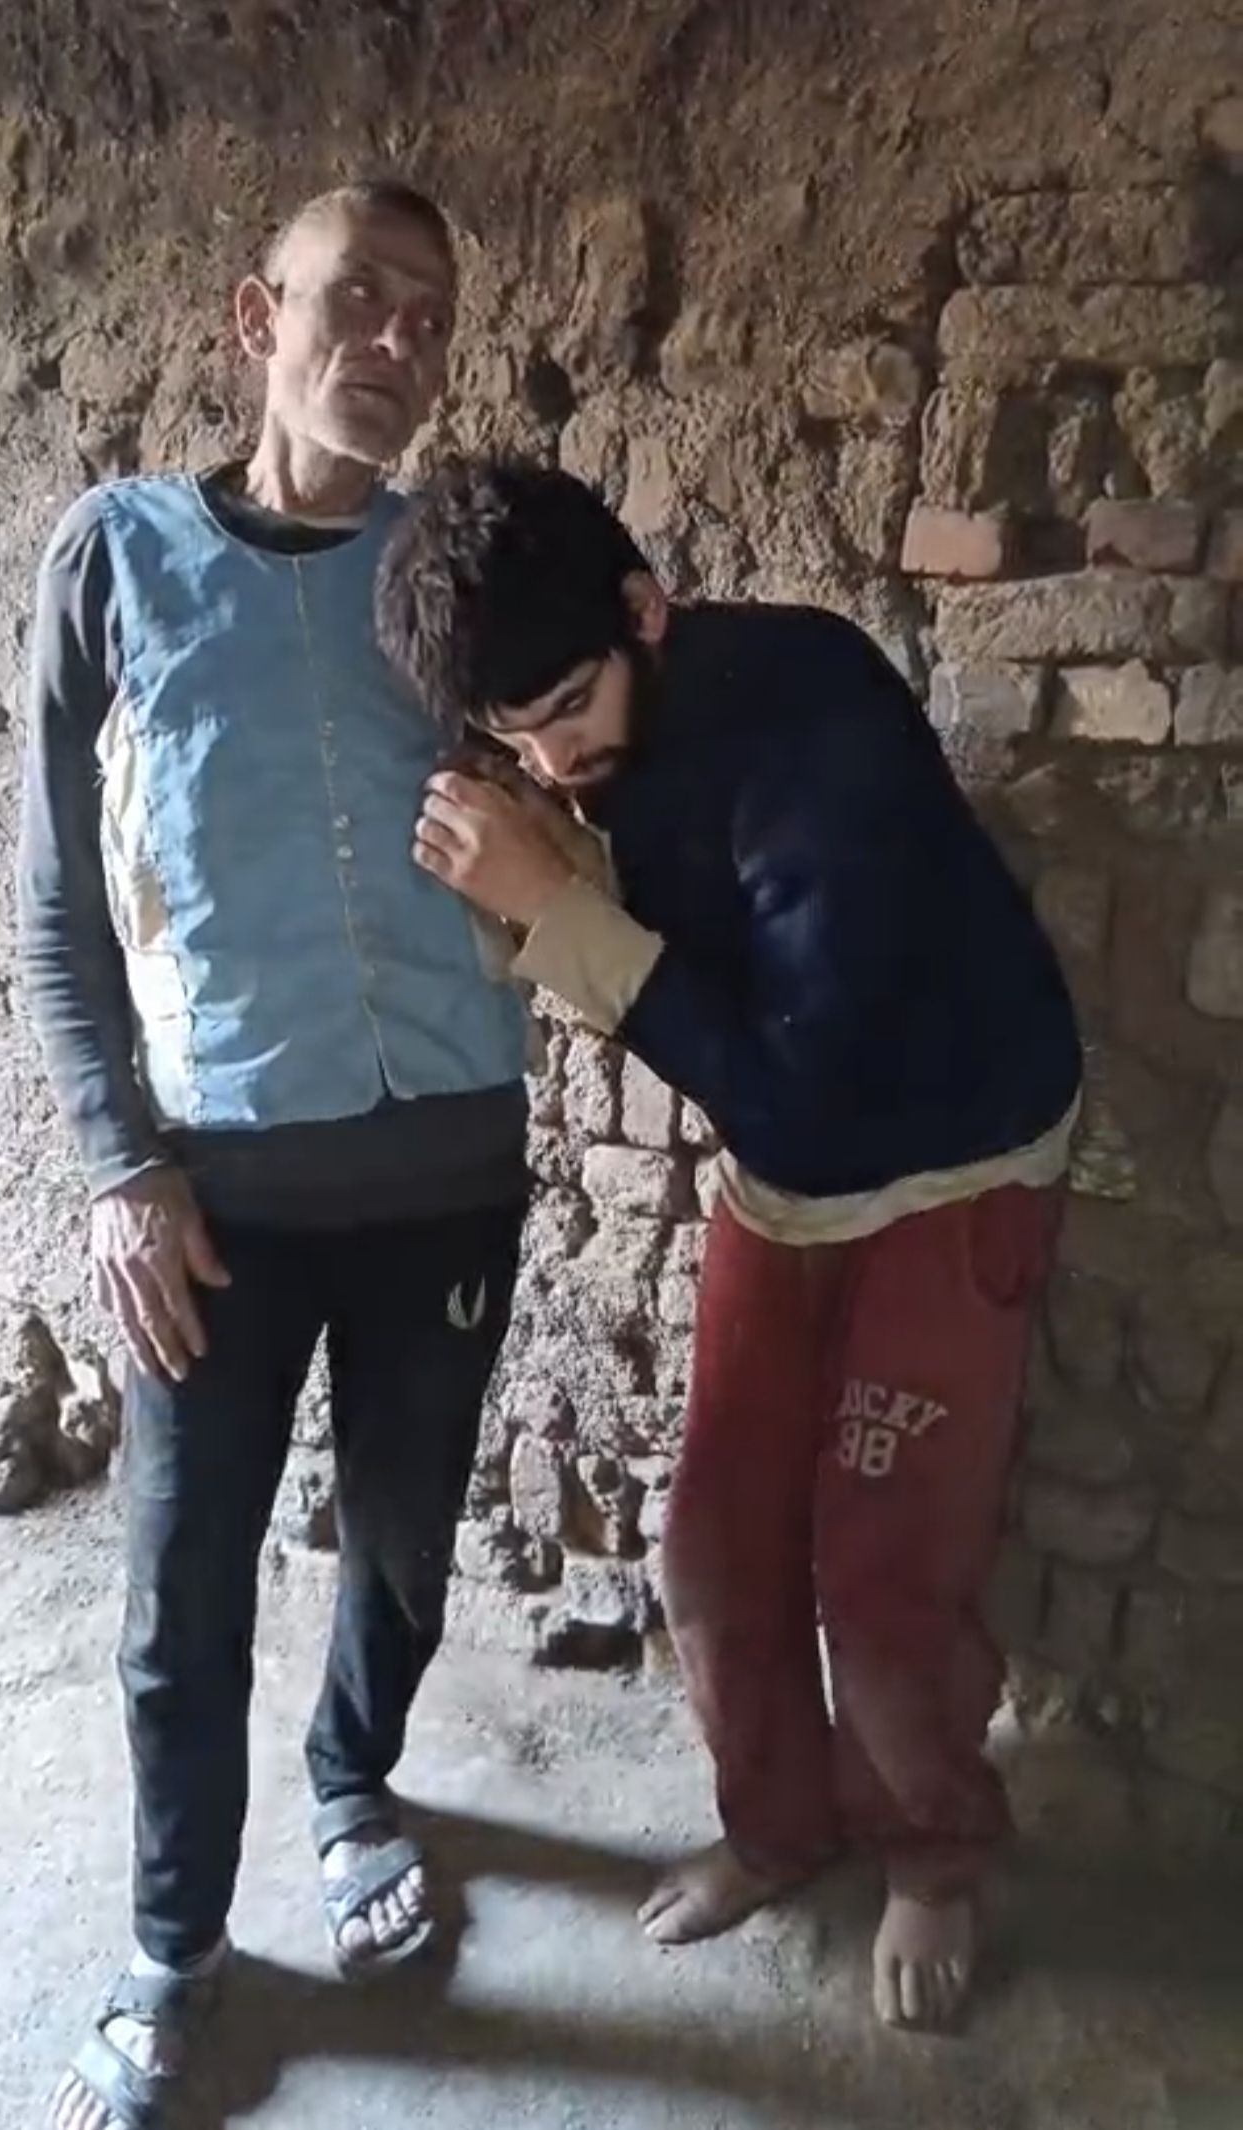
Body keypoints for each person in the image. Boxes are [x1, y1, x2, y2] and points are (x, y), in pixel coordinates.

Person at [376, 457, 1083, 2033]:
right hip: (792, 1167)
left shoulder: (814, 730)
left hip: (953, 1155)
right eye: (511, 737)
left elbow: (812, 1103)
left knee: (884, 1576)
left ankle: (935, 1849)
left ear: (646, 609)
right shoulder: (571, 724)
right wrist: (542, 869)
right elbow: (766, 1095)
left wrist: (561, 910)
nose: (552, 761)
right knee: (711, 1544)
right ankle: (777, 1826)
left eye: (568, 709)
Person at [19, 188, 533, 2130]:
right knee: (180, 1589)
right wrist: (116, 1162)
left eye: (431, 314)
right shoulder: (117, 557)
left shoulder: (455, 569)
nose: (395, 342)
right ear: (258, 317)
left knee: (402, 1538)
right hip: (214, 1201)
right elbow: (56, 909)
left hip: (446, 1167)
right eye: (356, 300)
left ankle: (352, 1786)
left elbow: (607, 735)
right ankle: (174, 1944)